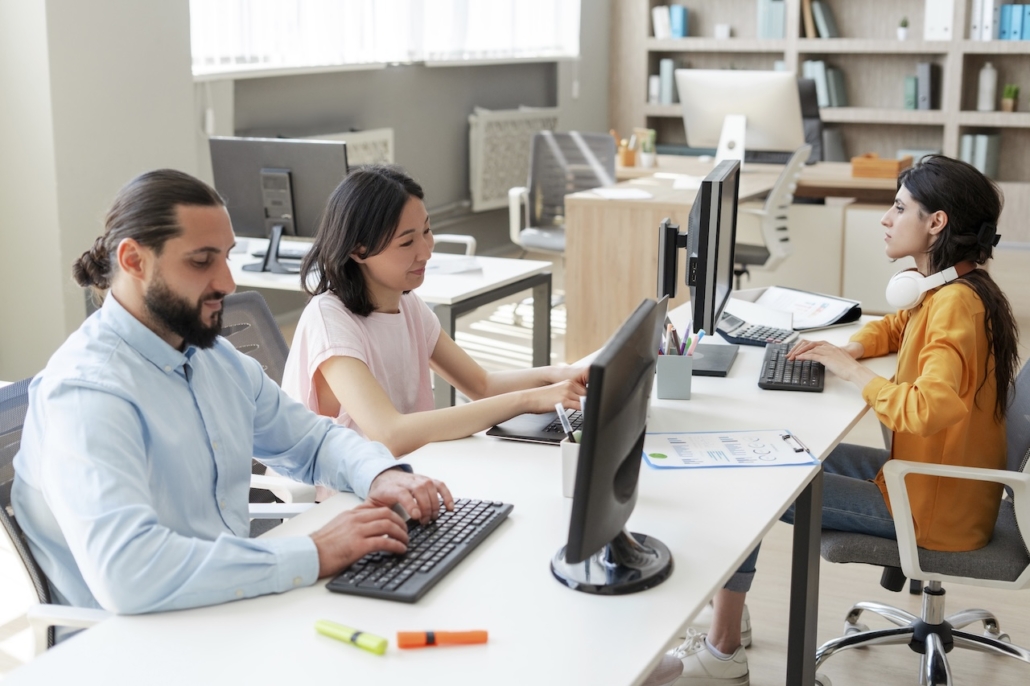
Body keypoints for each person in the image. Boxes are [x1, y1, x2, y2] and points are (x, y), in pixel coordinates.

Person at [647, 155, 1020, 685]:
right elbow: (894, 327)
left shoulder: (955, 306)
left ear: (936, 223)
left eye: (898, 208)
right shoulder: (948, 286)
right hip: (931, 482)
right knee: (771, 448)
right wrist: (844, 346)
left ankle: (724, 648)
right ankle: (732, 611)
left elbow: (928, 409)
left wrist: (847, 370)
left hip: (932, 510)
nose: (887, 220)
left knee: (756, 475)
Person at [12, 169, 453, 616]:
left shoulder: (212, 359)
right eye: (202, 261)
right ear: (133, 261)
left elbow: (313, 441)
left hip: (228, 604)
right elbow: (130, 572)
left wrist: (382, 475)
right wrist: (315, 551)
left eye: (227, 257)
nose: (227, 281)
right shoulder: (88, 394)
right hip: (139, 641)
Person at [282, 165, 587, 458]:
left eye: (427, 231)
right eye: (407, 242)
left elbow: (482, 386)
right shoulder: (330, 320)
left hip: (410, 474)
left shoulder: (406, 303)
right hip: (346, 493)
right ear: (359, 250)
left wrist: (559, 375)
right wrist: (530, 400)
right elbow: (390, 434)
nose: (426, 251)